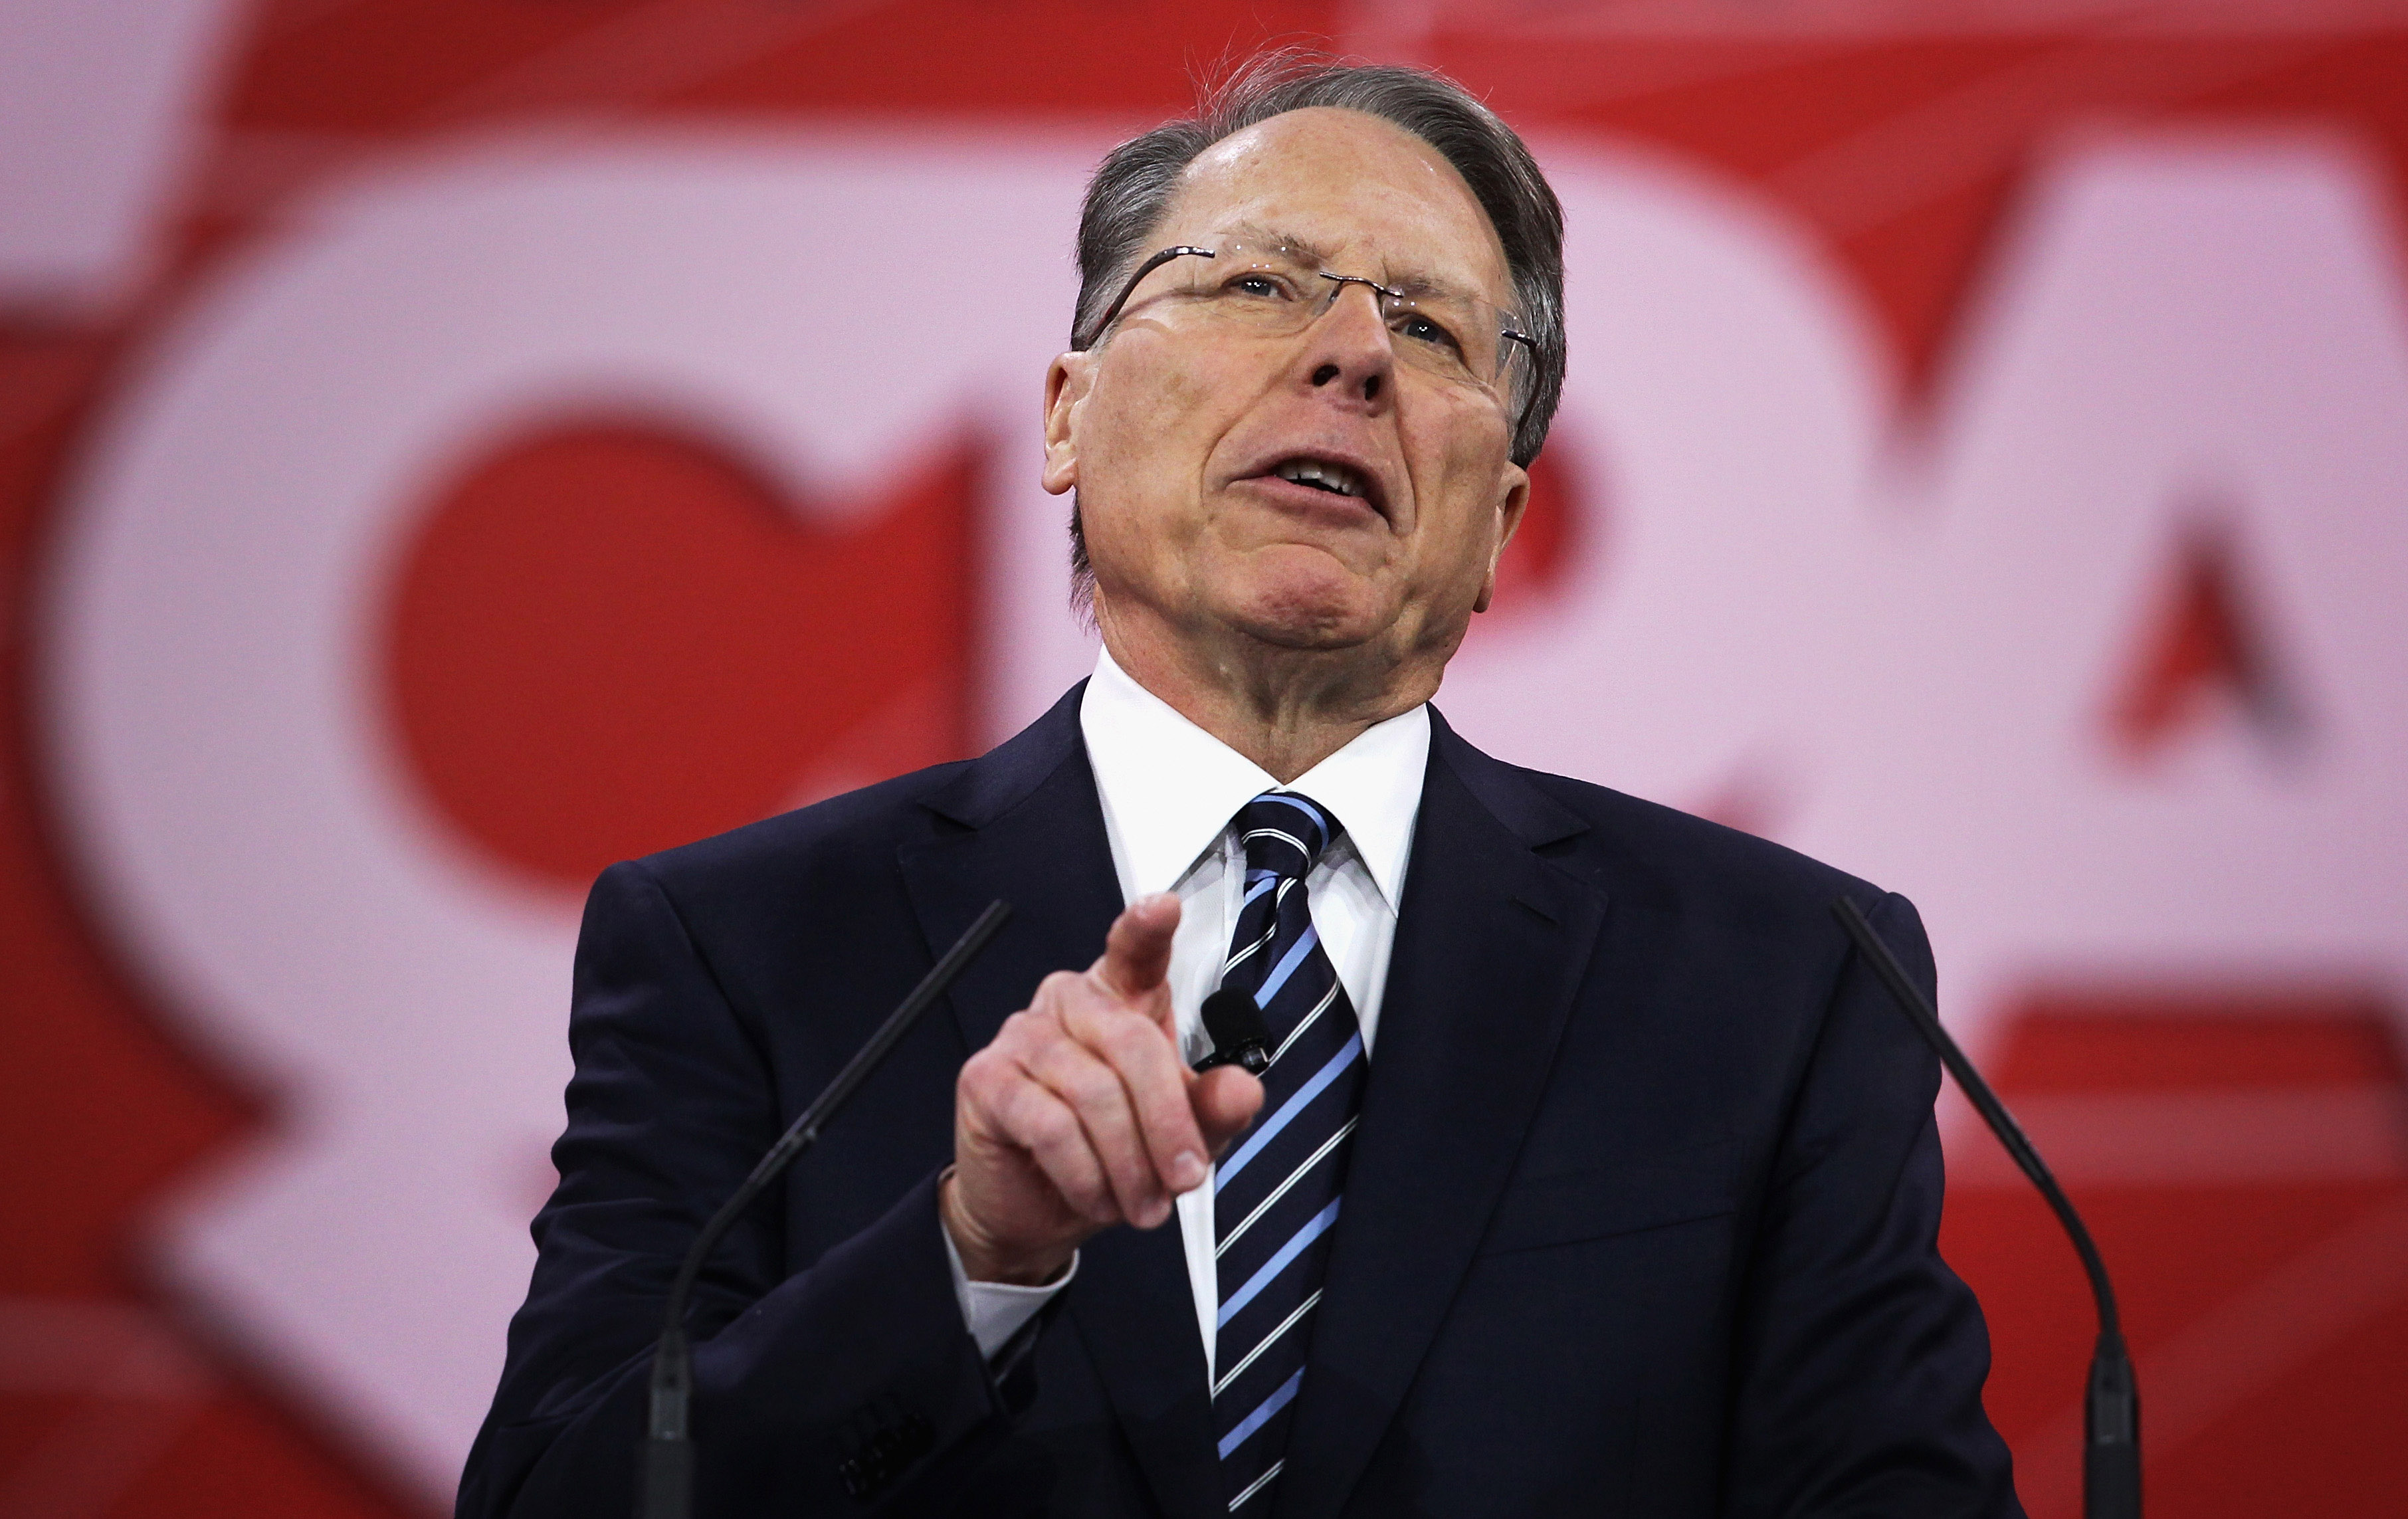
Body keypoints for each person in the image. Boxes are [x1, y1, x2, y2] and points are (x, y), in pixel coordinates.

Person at [457, 53, 2023, 1519]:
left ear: (1501, 521)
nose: (1350, 351)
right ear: (1068, 415)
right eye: (1260, 282)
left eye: (1430, 328)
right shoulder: (750, 943)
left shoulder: (1782, 980)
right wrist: (972, 1256)